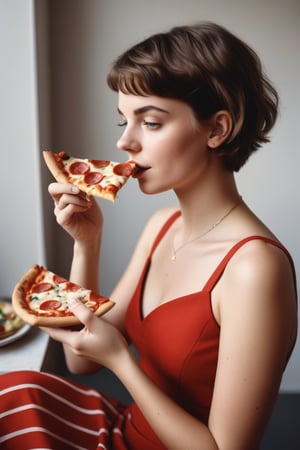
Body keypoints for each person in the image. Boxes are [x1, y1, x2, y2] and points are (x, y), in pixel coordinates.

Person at [0, 21, 297, 450]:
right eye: (124, 120)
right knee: (14, 392)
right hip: (123, 430)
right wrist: (87, 242)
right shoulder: (161, 227)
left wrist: (121, 361)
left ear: (217, 130)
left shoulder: (255, 269)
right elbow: (79, 359)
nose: (125, 142)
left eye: (151, 122)